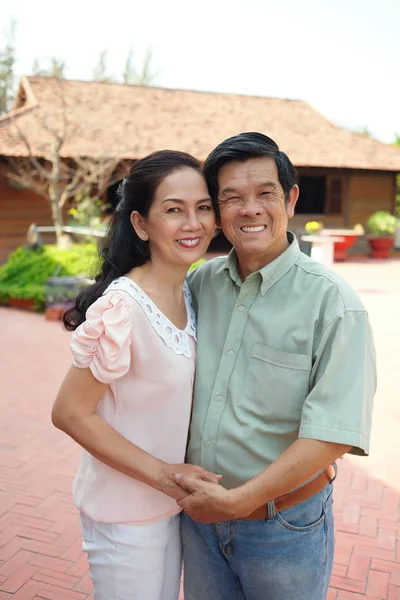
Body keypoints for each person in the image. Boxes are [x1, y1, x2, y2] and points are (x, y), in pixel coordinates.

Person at [177, 133, 376, 600]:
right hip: (200, 527)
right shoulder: (200, 284)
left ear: (290, 198)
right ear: (217, 210)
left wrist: (237, 501)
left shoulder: (334, 303)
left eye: (265, 193)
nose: (249, 209)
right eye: (231, 198)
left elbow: (334, 433)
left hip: (284, 528)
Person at [51, 150, 218, 600]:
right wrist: (165, 475)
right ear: (142, 225)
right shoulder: (122, 307)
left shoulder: (192, 291)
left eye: (203, 207)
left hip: (170, 507)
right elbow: (69, 413)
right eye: (173, 210)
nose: (193, 223)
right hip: (123, 513)